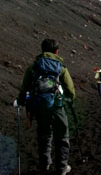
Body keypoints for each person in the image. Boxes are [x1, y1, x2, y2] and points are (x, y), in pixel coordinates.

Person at [14, 38, 75, 175]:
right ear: (56, 51)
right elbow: (71, 91)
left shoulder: (34, 67)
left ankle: (45, 164)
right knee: (62, 136)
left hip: (39, 106)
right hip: (57, 107)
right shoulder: (61, 68)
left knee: (44, 135)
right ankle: (61, 168)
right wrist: (69, 100)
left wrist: (19, 100)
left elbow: (24, 88)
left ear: (42, 50)